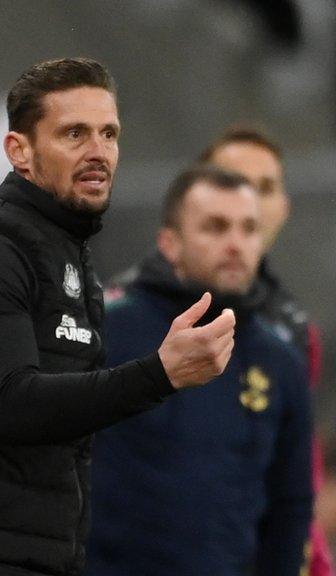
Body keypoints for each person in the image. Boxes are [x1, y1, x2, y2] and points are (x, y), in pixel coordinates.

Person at [0, 57, 236, 576]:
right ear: (19, 151)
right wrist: (160, 373)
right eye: (75, 134)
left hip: (44, 558)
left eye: (109, 134)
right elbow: (14, 403)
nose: (99, 152)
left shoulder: (67, 257)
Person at [86, 164, 314, 575]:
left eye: (248, 229)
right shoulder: (107, 328)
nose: (235, 244)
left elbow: (291, 505)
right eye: (216, 227)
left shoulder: (281, 360)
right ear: (170, 244)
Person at [199, 127, 332, 575]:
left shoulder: (296, 332)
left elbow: (297, 474)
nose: (249, 200)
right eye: (233, 181)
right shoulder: (138, 309)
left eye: (266, 188)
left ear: (284, 208)